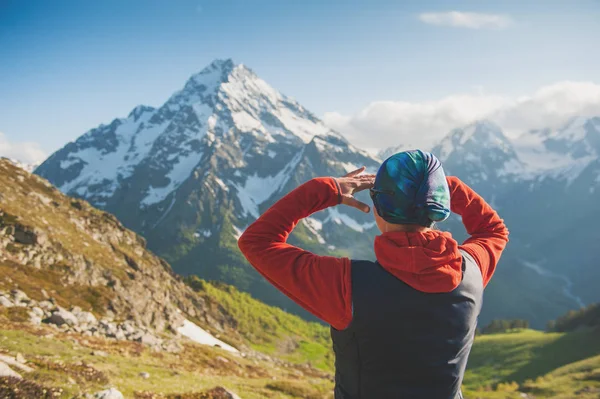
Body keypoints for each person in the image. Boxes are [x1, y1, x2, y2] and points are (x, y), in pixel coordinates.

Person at [238, 150, 509, 399]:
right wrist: (434, 185)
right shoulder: (471, 269)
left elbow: (257, 241)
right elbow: (493, 230)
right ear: (437, 208)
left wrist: (327, 189)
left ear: (379, 208)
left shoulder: (346, 287)